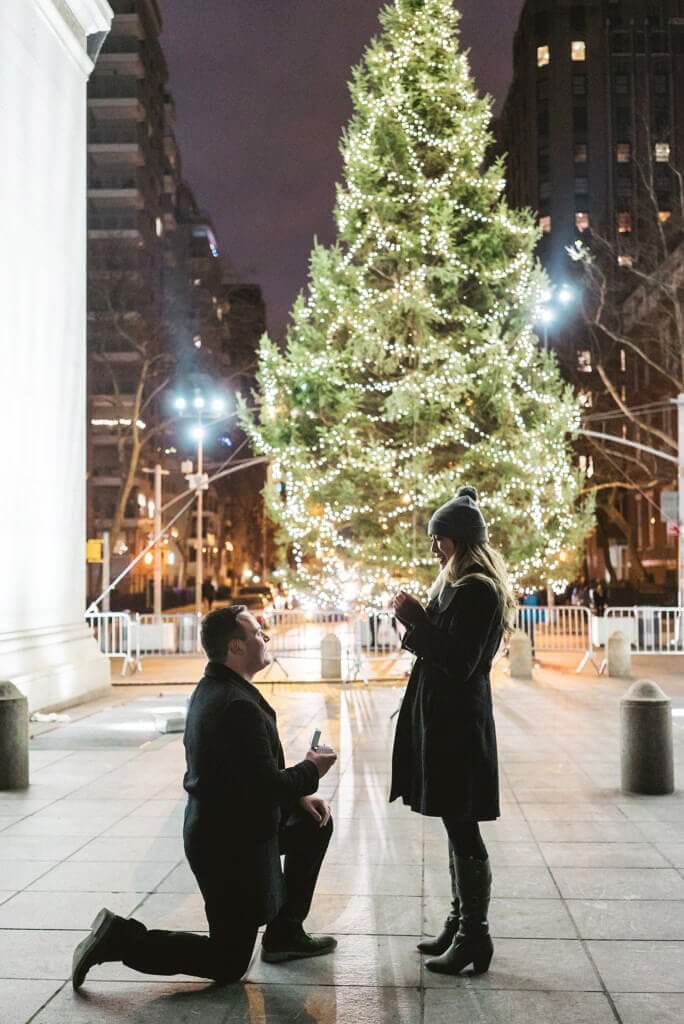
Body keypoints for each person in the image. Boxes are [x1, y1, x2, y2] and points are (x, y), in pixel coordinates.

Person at [72, 605, 338, 989]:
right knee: (228, 961)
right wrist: (313, 769)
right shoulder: (236, 706)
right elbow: (264, 787)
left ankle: (285, 934)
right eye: (257, 633)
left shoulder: (221, 688)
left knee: (313, 825)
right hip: (228, 848)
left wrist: (298, 800)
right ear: (235, 647)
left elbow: (245, 776)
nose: (265, 636)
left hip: (239, 828)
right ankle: (119, 938)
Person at [389, 485, 515, 976]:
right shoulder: (456, 584)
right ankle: (459, 921)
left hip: (460, 723)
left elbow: (460, 660)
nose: (434, 548)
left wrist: (415, 620)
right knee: (451, 817)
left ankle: (473, 937)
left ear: (460, 540)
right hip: (445, 718)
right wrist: (417, 619)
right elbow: (443, 647)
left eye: (439, 539)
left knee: (461, 822)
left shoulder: (478, 589)